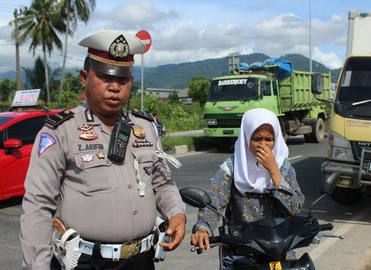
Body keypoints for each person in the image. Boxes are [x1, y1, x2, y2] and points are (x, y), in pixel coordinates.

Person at [19, 30, 186, 270]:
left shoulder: (145, 128)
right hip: (86, 262)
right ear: (84, 78)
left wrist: (176, 212)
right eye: (105, 78)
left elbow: (162, 182)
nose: (115, 88)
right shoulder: (61, 131)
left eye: (123, 79)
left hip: (141, 260)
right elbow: (37, 205)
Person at [190, 108, 305, 269]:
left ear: (276, 139)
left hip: (280, 251)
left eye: (269, 139)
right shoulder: (231, 169)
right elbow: (214, 203)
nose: (263, 145)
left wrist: (274, 172)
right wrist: (203, 228)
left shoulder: (284, 168)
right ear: (246, 137)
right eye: (257, 139)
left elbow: (295, 207)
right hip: (242, 251)